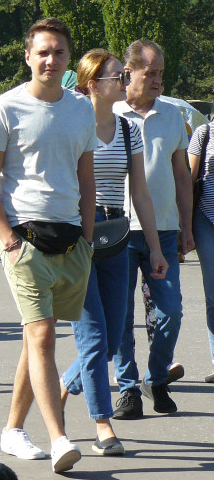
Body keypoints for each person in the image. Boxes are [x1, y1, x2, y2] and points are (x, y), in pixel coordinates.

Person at [0, 17, 96, 474]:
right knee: (43, 334)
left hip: (71, 242)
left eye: (59, 52)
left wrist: (86, 238)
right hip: (24, 239)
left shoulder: (81, 109)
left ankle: (11, 429)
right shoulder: (5, 109)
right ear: (27, 56)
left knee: (35, 336)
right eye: (42, 52)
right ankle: (59, 436)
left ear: (68, 59)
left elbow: (86, 179)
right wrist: (7, 240)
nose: (50, 59)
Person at [59, 50, 168, 456]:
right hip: (77, 236)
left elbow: (140, 191)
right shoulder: (73, 125)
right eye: (116, 76)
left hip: (117, 235)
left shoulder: (127, 130)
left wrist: (155, 247)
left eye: (124, 75)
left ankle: (61, 386)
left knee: (112, 337)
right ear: (93, 85)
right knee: (92, 335)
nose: (124, 81)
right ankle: (102, 424)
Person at [111, 39, 195, 418]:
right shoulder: (108, 112)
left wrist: (186, 225)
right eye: (151, 72)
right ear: (129, 72)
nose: (159, 79)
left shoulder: (173, 115)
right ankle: (127, 388)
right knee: (120, 314)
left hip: (163, 229)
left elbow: (182, 176)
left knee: (172, 311)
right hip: (118, 230)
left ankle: (156, 377)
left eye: (161, 72)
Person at [188, 119, 214, 383]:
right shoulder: (204, 133)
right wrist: (184, 225)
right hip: (207, 217)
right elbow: (190, 177)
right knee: (213, 293)